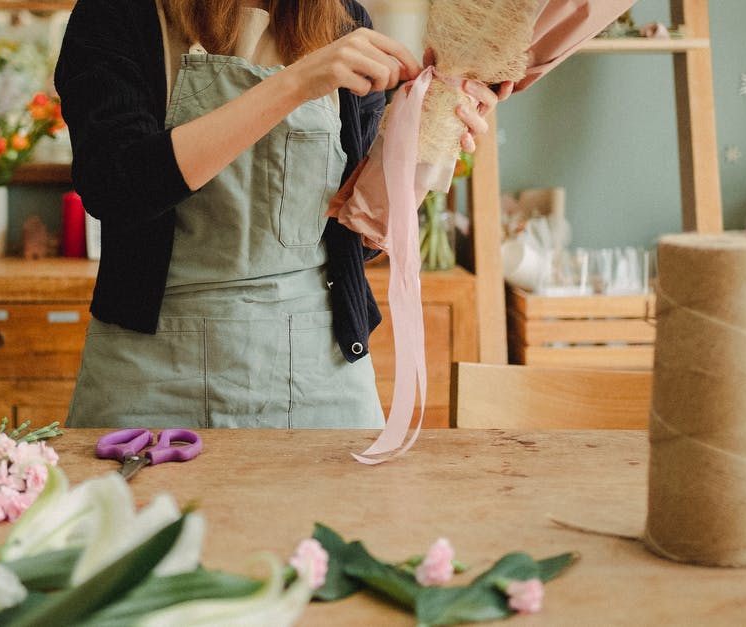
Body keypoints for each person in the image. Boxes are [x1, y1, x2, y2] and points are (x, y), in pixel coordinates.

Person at [55, 0, 508, 429]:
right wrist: (295, 84)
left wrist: (424, 136)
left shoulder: (343, 18)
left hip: (320, 378)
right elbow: (115, 187)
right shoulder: (118, 13)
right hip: (147, 380)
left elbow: (352, 234)